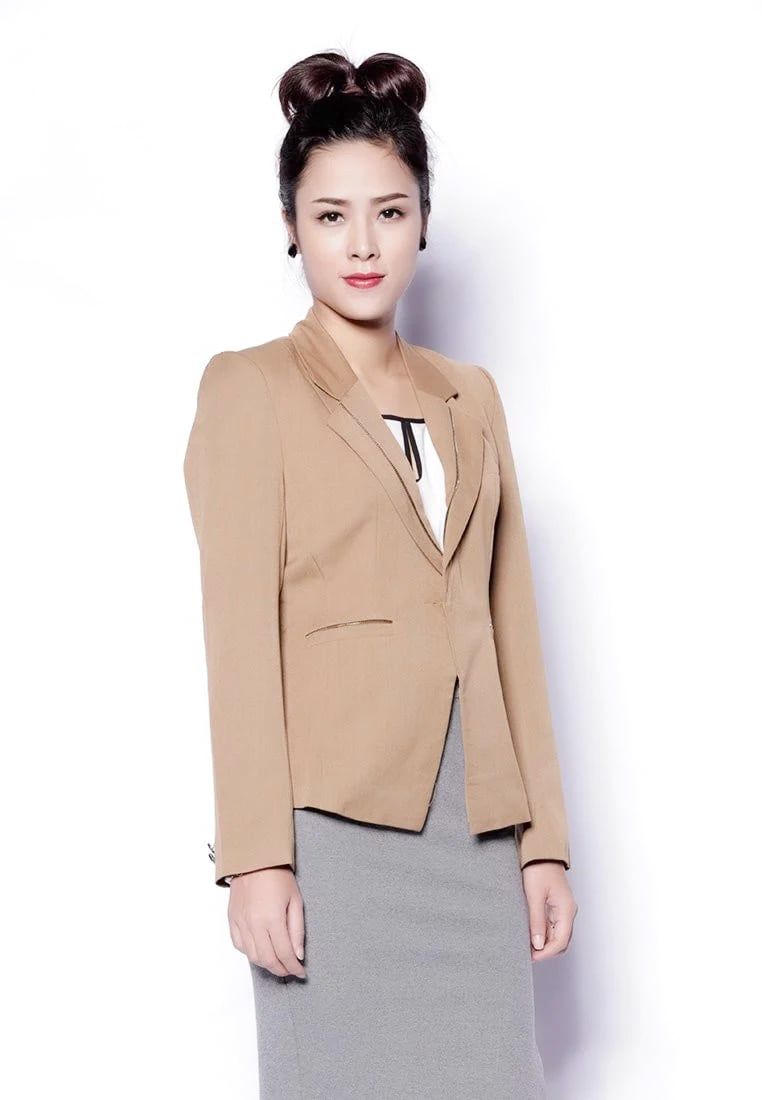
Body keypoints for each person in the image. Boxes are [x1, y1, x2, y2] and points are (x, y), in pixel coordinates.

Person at [183, 48, 578, 1100]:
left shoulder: (471, 396)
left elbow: (509, 625)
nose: (362, 244)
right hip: (334, 831)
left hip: (478, 825)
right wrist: (257, 857)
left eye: (390, 213)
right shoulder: (251, 390)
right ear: (292, 225)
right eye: (331, 216)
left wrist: (543, 842)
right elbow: (237, 636)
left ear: (423, 223)